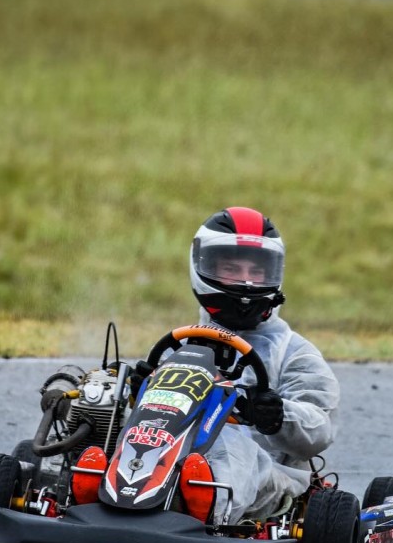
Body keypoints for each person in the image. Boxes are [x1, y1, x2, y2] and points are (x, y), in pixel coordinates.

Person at [140, 207, 340, 523]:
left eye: (256, 271)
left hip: (268, 476)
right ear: (202, 266)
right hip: (172, 458)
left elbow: (320, 430)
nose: (246, 281)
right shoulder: (180, 344)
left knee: (227, 441)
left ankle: (203, 507)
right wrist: (137, 390)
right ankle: (91, 486)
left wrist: (277, 416)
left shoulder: (295, 352)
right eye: (231, 268)